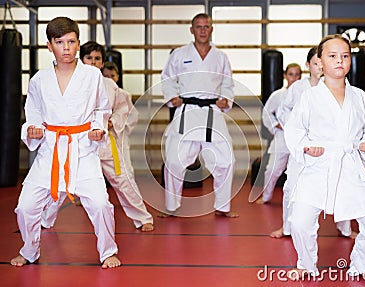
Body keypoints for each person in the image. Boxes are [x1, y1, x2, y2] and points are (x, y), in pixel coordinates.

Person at [11, 17, 121, 268]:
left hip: (82, 152)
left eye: (71, 42)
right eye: (60, 42)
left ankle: (108, 251)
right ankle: (29, 250)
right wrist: (32, 130)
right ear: (50, 45)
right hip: (50, 151)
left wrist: (97, 129)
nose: (66, 48)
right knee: (26, 206)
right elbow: (33, 112)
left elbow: (101, 109)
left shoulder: (92, 75)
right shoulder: (39, 79)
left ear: (78, 44)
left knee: (101, 204)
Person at [284, 34, 365, 280]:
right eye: (332, 56)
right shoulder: (309, 97)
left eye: (345, 56)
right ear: (320, 62)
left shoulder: (360, 97)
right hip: (318, 166)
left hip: (351, 165)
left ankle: (362, 266)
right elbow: (295, 130)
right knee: (300, 222)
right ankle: (305, 265)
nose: (339, 61)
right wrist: (307, 147)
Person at [41, 42, 154, 232]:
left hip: (104, 142)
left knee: (123, 180)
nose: (93, 62)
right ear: (81, 60)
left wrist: (112, 122)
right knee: (63, 182)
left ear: (102, 63)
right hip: (78, 143)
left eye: (97, 59)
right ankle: (46, 219)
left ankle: (142, 218)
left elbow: (122, 108)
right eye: (89, 58)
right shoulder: (69, 82)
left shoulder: (109, 85)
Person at [271, 47, 357, 239]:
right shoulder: (298, 88)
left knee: (342, 186)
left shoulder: (339, 87)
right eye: (316, 63)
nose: (320, 66)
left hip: (331, 147)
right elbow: (284, 111)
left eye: (322, 62)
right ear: (308, 65)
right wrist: (297, 135)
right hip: (303, 146)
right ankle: (287, 228)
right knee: (291, 187)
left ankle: (345, 228)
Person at [160, 13, 238, 218]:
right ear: (191, 29)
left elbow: (228, 83)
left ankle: (222, 206)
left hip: (212, 111)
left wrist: (226, 100)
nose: (203, 30)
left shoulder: (220, 57)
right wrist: (172, 96)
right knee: (174, 161)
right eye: (199, 26)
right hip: (187, 111)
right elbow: (167, 78)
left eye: (206, 26)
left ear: (211, 29)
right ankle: (171, 206)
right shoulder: (179, 53)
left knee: (226, 160)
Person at [256, 63, 301, 206]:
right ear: (285, 76)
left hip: (300, 139)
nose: (293, 78)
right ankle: (266, 196)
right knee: (272, 170)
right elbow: (266, 113)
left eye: (297, 74)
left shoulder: (306, 95)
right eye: (291, 74)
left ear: (301, 76)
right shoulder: (278, 95)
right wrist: (275, 125)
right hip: (282, 137)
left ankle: (299, 201)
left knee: (300, 172)